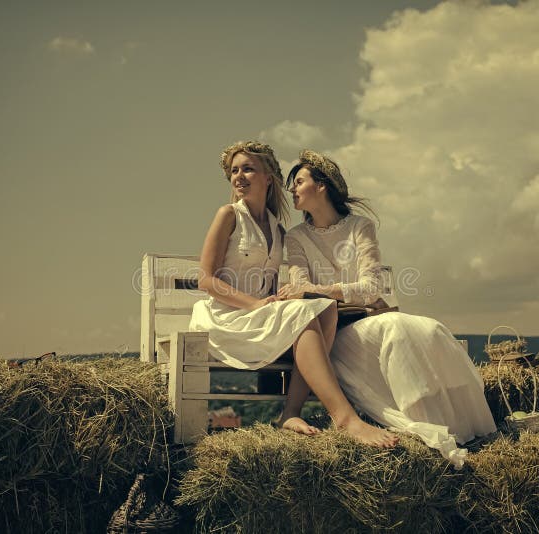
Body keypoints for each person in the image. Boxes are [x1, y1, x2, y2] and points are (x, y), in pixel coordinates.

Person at [278, 149, 496, 468]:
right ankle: (418, 424)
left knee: (426, 327)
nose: (292, 190)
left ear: (321, 186)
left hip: (363, 320)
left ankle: (452, 425)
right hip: (327, 333)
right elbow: (301, 292)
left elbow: (371, 289)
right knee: (395, 327)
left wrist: (323, 291)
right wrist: (341, 295)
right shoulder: (296, 237)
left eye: (299, 182)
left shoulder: (360, 227)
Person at [190, 141, 398, 448]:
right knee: (311, 309)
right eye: (234, 171)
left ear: (268, 177)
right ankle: (346, 419)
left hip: (262, 315)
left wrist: (363, 303)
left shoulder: (279, 230)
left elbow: (279, 287)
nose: (239, 176)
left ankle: (290, 413)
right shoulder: (229, 215)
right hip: (226, 317)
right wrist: (256, 304)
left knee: (322, 307)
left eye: (248, 168)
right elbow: (205, 281)